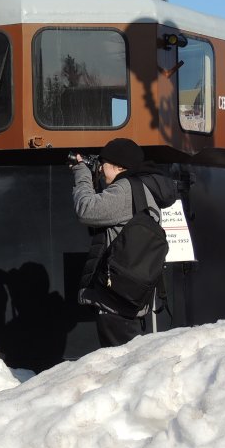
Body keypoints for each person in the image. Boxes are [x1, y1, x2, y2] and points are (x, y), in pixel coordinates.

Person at [71, 138, 177, 347]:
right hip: (129, 294)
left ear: (120, 166)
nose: (100, 168)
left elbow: (87, 209)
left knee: (122, 367)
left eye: (104, 163)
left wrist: (81, 174)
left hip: (115, 301)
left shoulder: (126, 189)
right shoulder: (142, 188)